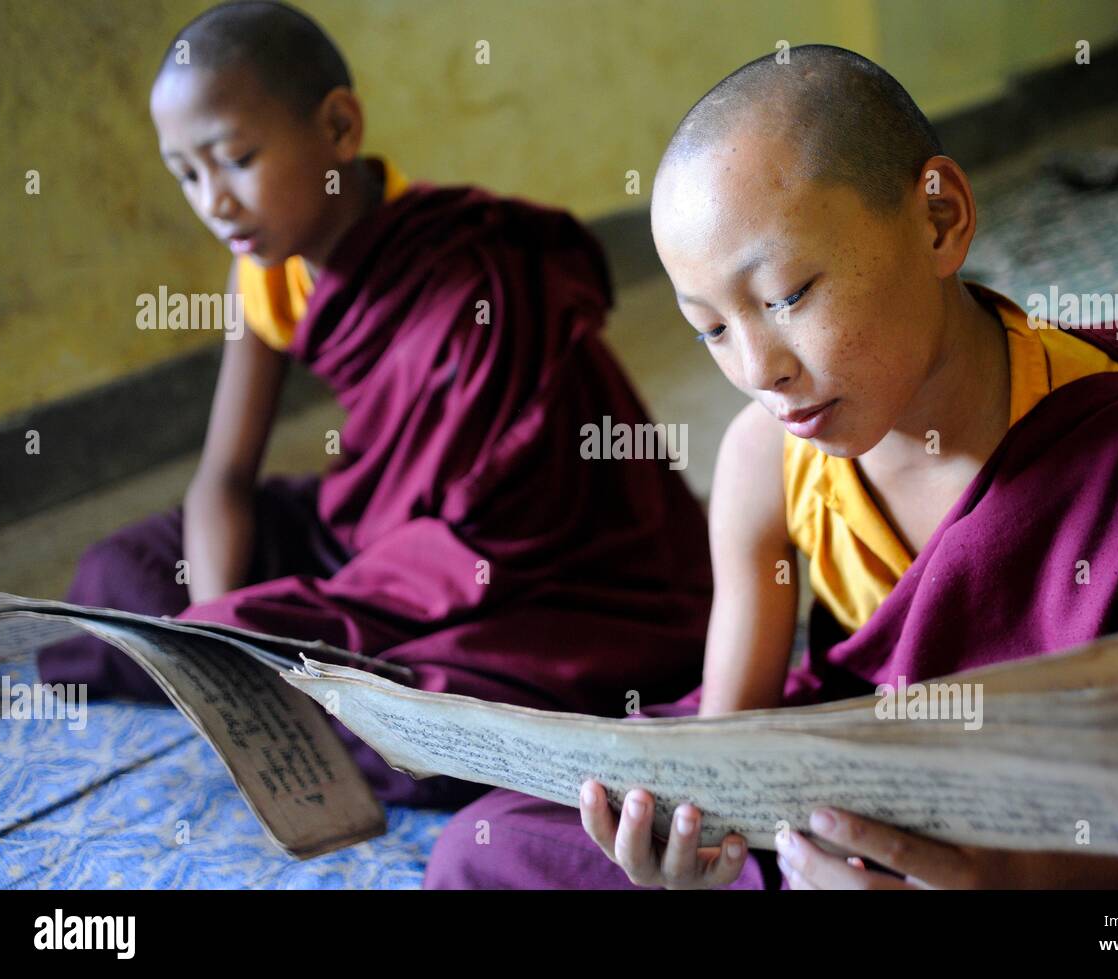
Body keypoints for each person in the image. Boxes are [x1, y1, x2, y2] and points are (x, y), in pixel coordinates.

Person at [423, 44, 1118, 888]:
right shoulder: (767, 460)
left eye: (788, 296)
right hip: (847, 804)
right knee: (486, 848)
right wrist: (687, 856)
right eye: (712, 330)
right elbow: (729, 750)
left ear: (940, 220)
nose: (760, 372)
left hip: (1055, 853)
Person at [38, 1, 712, 807]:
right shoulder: (264, 269)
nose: (214, 202)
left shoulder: (477, 275)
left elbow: (491, 542)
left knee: (412, 723)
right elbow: (224, 476)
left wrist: (253, 634)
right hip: (369, 529)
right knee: (118, 576)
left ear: (340, 128)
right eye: (187, 175)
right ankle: (276, 664)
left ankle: (319, 678)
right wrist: (220, 628)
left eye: (237, 158)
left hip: (525, 570)